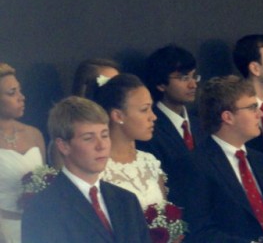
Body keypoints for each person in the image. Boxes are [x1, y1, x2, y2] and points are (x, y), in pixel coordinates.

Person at [21, 96, 150, 242]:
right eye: (88, 138)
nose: (101, 146)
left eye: (105, 135)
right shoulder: (43, 208)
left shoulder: (126, 200)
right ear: (64, 146)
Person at [186, 75, 263, 242]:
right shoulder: (195, 165)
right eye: (252, 107)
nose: (260, 114)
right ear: (228, 117)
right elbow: (200, 232)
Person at [136, 45, 200, 210]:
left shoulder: (202, 124)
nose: (193, 84)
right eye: (184, 78)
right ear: (161, 84)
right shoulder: (149, 128)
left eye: (194, 76)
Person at [89, 73, 165, 208]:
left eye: (151, 108)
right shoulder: (96, 168)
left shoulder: (149, 162)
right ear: (118, 116)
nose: (153, 117)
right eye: (144, 110)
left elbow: (167, 217)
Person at [0, 63, 44, 243]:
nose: (22, 98)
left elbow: (46, 178)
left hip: (39, 224)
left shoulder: (34, 134)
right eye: (12, 93)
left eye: (20, 91)